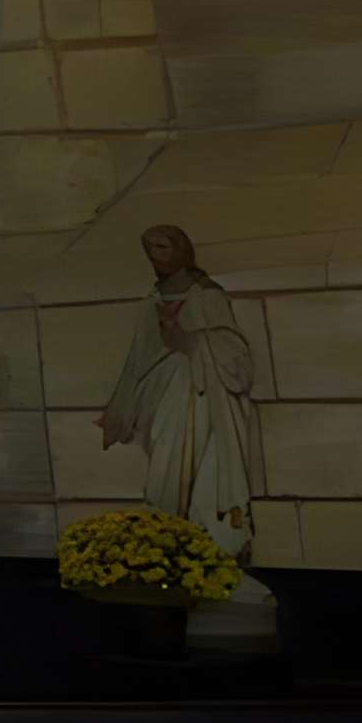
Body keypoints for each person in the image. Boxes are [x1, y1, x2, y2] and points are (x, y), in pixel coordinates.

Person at [98, 223, 262, 558]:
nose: (156, 255)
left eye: (163, 247)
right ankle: (170, 536)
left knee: (206, 472)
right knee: (165, 464)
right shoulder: (153, 300)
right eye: (151, 249)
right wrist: (119, 410)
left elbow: (233, 351)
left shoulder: (206, 294)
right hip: (163, 398)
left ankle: (209, 543)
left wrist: (188, 341)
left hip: (204, 397)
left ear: (181, 250)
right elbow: (137, 359)